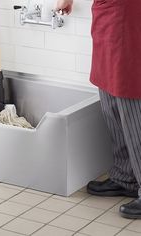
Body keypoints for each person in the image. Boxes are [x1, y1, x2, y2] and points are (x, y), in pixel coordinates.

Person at [56, 0, 141, 219]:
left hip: (129, 11)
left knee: (129, 93)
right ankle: (125, 177)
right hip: (109, 11)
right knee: (109, 92)